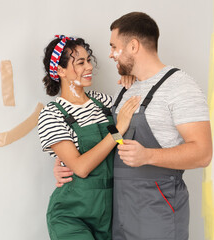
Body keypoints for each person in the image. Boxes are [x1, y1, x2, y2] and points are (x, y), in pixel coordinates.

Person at [53, 12, 213, 240]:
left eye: (114, 46)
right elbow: (108, 140)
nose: (109, 55)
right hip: (119, 219)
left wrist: (147, 155)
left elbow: (203, 153)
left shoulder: (180, 87)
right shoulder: (126, 89)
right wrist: (66, 165)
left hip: (158, 217)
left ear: (133, 46)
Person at [38, 35, 140, 240]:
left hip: (110, 214)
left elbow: (135, 128)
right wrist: (116, 131)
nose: (89, 67)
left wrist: (134, 83)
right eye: (80, 62)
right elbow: (81, 168)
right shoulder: (52, 114)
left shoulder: (104, 102)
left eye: (89, 60)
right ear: (60, 71)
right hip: (72, 216)